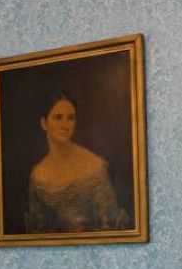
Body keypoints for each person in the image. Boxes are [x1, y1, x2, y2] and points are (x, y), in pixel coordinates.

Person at [23, 93, 130, 233]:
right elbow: (40, 231)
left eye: (70, 118)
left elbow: (109, 225)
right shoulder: (37, 174)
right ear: (44, 123)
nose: (65, 125)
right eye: (58, 117)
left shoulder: (94, 166)